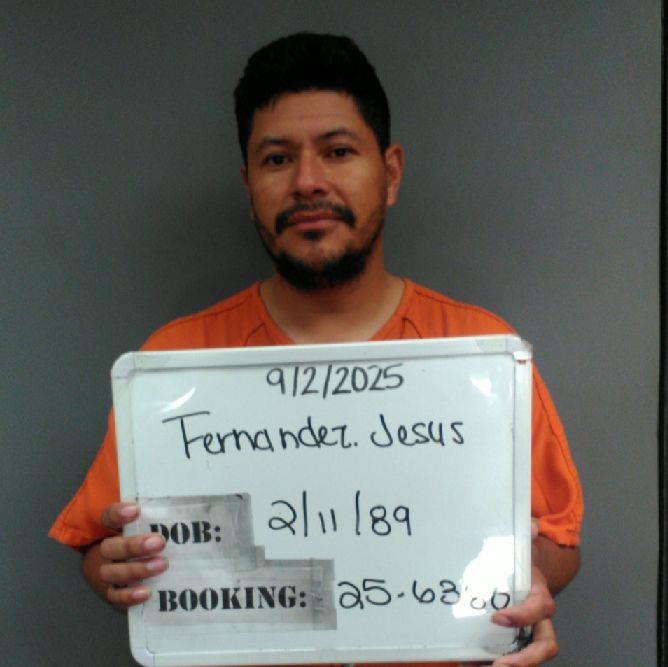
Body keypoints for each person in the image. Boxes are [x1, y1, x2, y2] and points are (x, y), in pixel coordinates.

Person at [50, 32, 583, 667]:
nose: (308, 182)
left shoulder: (482, 356)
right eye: (277, 159)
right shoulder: (173, 365)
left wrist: (528, 575)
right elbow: (97, 544)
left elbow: (559, 541)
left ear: (390, 174)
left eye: (338, 151)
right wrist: (114, 571)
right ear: (248, 184)